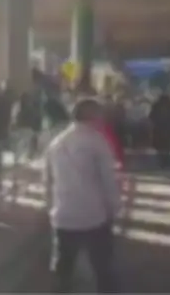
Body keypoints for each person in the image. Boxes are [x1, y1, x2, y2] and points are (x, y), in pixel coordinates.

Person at [44, 98, 122, 293]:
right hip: (94, 216)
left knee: (63, 268)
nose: (102, 118)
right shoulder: (97, 141)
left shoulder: (56, 143)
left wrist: (51, 209)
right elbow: (108, 180)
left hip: (63, 216)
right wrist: (114, 207)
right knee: (102, 267)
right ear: (91, 116)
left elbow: (47, 181)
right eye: (99, 114)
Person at [148, 90, 170, 168]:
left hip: (159, 129)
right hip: (169, 129)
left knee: (160, 147)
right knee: (168, 146)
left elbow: (151, 116)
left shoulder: (156, 105)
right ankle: (167, 161)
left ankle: (162, 161)